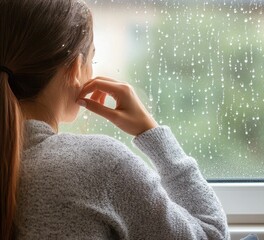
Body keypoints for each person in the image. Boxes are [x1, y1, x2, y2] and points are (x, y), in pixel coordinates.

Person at [0, 0, 229, 239]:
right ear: (76, 68)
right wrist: (149, 131)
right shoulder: (97, 165)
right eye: (92, 59)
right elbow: (212, 234)